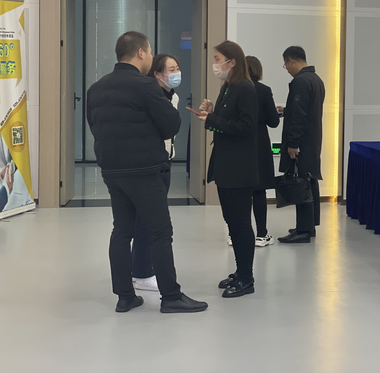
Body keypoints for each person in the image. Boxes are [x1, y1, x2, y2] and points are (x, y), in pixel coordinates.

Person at [87, 31, 207, 314]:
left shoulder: (96, 88)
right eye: (150, 52)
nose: (151, 57)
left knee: (122, 231)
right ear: (141, 52)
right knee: (160, 232)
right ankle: (171, 297)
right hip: (144, 169)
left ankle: (125, 296)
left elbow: (95, 125)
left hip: (112, 169)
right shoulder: (146, 86)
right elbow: (171, 125)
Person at [195, 40, 258, 298]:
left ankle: (246, 277)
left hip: (239, 168)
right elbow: (227, 120)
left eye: (218, 59)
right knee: (231, 222)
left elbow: (246, 127)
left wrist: (213, 119)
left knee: (240, 223)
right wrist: (212, 114)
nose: (215, 64)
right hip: (226, 166)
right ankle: (240, 270)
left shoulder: (245, 89)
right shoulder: (228, 87)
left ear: (232, 62)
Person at [127, 54, 182, 293]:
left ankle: (141, 268)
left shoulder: (173, 95)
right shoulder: (151, 96)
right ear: (158, 74)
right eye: (171, 69)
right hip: (151, 164)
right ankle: (141, 272)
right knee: (147, 222)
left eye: (177, 68)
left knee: (151, 221)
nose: (176, 73)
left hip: (165, 161)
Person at [276, 46, 325, 244]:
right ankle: (309, 225)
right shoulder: (316, 79)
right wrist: (287, 110)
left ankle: (303, 230)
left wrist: (293, 143)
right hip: (312, 140)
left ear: (291, 61)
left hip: (302, 142)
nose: (287, 69)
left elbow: (299, 115)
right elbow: (306, 109)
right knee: (309, 181)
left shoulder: (300, 81)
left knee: (301, 183)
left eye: (285, 65)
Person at [247, 55, 280, 247]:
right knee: (259, 191)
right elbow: (273, 122)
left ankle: (236, 234)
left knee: (241, 193)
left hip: (239, 144)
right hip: (259, 144)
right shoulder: (264, 90)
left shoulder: (232, 88)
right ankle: (261, 234)